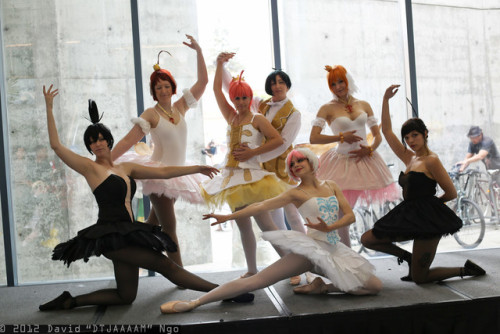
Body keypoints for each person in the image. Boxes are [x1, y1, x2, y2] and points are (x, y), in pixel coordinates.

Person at [39, 85, 252, 311]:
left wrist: (195, 168)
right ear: (89, 147)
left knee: (125, 295)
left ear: (109, 141)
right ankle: (225, 292)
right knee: (165, 265)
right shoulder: (89, 168)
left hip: (127, 231)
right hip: (110, 234)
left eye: (102, 138)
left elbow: (162, 172)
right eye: (93, 141)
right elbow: (56, 146)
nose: (98, 143)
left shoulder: (125, 167)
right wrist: (49, 107)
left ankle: (69, 301)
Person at [159, 147, 382, 314]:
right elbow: (260, 206)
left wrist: (330, 227)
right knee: (257, 281)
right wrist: (228, 216)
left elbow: (350, 215)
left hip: (335, 250)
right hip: (311, 250)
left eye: (299, 160)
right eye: (292, 165)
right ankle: (195, 303)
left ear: (311, 161)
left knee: (373, 286)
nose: (296, 166)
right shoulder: (295, 193)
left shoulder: (331, 185)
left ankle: (321, 287)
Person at [360, 85, 486, 284]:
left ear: (425, 134)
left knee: (420, 278)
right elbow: (386, 130)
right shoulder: (409, 158)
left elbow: (451, 192)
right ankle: (408, 257)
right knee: (367, 239)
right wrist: (385, 99)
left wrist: (431, 209)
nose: (410, 140)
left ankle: (465, 269)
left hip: (426, 219)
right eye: (407, 137)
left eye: (415, 135)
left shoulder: (431, 160)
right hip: (408, 213)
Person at [111, 35, 208, 267]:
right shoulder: (151, 114)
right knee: (169, 228)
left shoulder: (180, 107)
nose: (163, 90)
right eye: (158, 87)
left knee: (153, 225)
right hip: (158, 175)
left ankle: (127, 243)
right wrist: (106, 161)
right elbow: (127, 140)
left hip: (176, 173)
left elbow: (203, 82)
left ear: (172, 87)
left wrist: (199, 51)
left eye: (166, 85)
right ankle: (180, 273)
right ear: (154, 91)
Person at [200, 52, 288, 278]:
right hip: (232, 178)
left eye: (244, 98)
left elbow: (278, 140)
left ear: (250, 98)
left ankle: (291, 267)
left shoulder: (258, 118)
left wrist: (254, 152)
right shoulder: (231, 116)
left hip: (252, 178)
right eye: (237, 98)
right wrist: (219, 64)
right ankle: (251, 270)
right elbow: (215, 91)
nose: (240, 102)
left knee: (266, 224)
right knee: (242, 225)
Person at [223, 63, 306, 285]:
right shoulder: (261, 105)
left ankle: (300, 263)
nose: (276, 86)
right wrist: (221, 65)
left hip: (279, 168)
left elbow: (283, 143)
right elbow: (234, 89)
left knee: (292, 217)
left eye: (280, 82)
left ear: (287, 85)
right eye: (273, 82)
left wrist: (255, 156)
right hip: (251, 171)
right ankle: (270, 267)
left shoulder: (293, 114)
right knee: (267, 222)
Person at [310, 65, 399, 248]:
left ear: (348, 80)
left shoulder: (363, 104)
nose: (338, 87)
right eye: (333, 84)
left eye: (340, 81)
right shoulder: (327, 108)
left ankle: (347, 253)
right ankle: (344, 253)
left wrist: (370, 149)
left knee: (345, 214)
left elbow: (378, 135)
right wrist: (341, 137)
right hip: (340, 164)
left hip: (365, 162)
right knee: (340, 213)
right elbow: (314, 137)